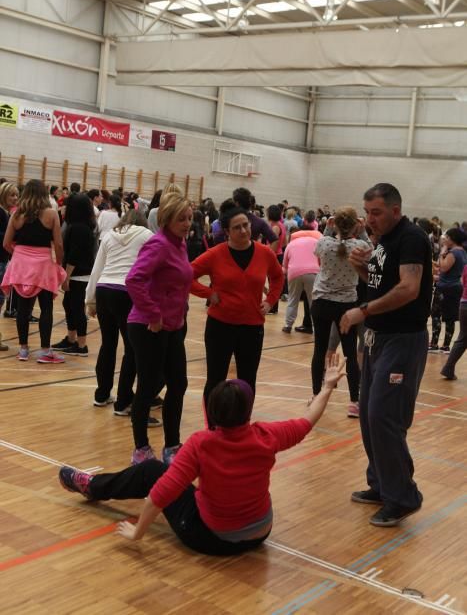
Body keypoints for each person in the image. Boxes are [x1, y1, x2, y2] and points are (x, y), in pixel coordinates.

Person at [58, 355, 346, 556]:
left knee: (150, 471)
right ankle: (95, 485)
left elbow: (161, 493)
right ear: (247, 411)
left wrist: (137, 533)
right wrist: (328, 386)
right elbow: (309, 419)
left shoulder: (202, 443)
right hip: (261, 532)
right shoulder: (266, 435)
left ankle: (92, 486)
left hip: (213, 539)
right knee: (182, 480)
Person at [340, 183, 432, 527]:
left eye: (376, 212)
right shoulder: (383, 241)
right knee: (367, 414)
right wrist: (363, 269)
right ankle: (382, 485)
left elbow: (409, 289)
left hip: (403, 340)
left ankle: (403, 496)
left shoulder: (411, 238)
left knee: (384, 416)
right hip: (378, 339)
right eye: (367, 212)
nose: (369, 219)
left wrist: (362, 311)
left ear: (395, 210)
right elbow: (382, 283)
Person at [190, 207, 283, 415]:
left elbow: (278, 277)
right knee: (215, 380)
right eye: (237, 227)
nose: (243, 230)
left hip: (252, 327)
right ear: (226, 232)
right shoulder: (215, 254)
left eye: (246, 225)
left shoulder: (264, 253)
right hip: (219, 327)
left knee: (247, 381)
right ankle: (213, 428)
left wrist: (270, 301)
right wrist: (207, 293)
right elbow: (186, 275)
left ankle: (242, 427)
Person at [125, 190, 193, 466]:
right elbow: (134, 280)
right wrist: (153, 314)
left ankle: (172, 445)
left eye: (189, 218)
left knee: (178, 383)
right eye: (181, 219)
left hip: (173, 326)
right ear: (166, 220)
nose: (187, 224)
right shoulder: (159, 244)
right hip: (148, 327)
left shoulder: (179, 244)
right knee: (148, 387)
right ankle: (141, 448)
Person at [85, 209, 152, 411]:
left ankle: (102, 394)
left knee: (108, 344)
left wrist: (90, 300)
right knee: (132, 349)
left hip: (104, 289)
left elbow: (97, 268)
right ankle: (123, 401)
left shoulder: (108, 235)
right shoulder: (148, 236)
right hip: (127, 291)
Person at [310, 207, 367, 418]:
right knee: (351, 354)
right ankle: (354, 402)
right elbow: (372, 250)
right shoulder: (360, 246)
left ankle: (316, 396)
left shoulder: (324, 242)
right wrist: (361, 231)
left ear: (335, 224)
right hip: (346, 304)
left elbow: (321, 249)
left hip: (322, 301)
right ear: (355, 225)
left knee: (319, 350)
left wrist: (327, 226)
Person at [1, 179, 66, 363]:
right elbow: (59, 244)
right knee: (46, 307)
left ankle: (23, 350)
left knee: (23, 308)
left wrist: (20, 255)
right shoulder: (51, 214)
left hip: (21, 265)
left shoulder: (16, 214)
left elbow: (6, 243)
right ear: (43, 194)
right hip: (43, 265)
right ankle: (45, 351)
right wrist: (59, 264)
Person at [52, 194, 96, 356]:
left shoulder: (79, 228)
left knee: (77, 309)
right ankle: (71, 339)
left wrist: (66, 277)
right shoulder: (81, 226)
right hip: (77, 274)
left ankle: (82, 344)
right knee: (69, 305)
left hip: (78, 275)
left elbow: (74, 255)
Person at [429, 227, 467, 353]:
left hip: (446, 288)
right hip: (453, 286)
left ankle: (435, 344)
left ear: (453, 239)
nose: (445, 239)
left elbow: (444, 267)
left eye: (448, 237)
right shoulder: (462, 252)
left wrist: (442, 252)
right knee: (450, 317)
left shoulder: (453, 253)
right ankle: (445, 345)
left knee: (436, 315)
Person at [281, 229, 320, 334]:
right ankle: (316, 327)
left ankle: (288, 325)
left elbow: (284, 264)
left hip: (294, 272)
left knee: (293, 299)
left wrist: (284, 274)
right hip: (313, 272)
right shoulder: (316, 242)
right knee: (313, 302)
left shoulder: (291, 244)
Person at [0, 182, 19, 350]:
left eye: (16, 195)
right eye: (11, 195)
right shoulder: (2, 214)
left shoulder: (8, 213)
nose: (14, 198)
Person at [441, 263, 467, 380]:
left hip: (464, 304)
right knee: (463, 339)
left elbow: (463, 282)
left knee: (462, 339)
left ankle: (448, 368)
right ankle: (448, 368)